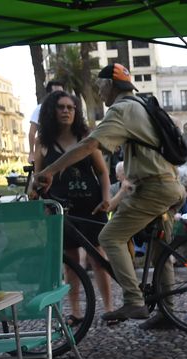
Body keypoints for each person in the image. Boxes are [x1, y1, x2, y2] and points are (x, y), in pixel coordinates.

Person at [34, 63, 183, 330]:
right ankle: (168, 313)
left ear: (109, 86)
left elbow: (90, 144)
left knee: (109, 236)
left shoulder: (122, 109)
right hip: (170, 185)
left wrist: (50, 170)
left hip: (153, 188)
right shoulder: (142, 104)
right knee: (161, 250)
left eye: (100, 87)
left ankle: (133, 300)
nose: (100, 93)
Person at [31, 89, 114, 315]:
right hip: (60, 209)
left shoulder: (86, 139)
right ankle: (76, 311)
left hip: (91, 206)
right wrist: (34, 193)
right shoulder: (43, 142)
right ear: (51, 111)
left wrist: (107, 198)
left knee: (99, 258)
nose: (66, 111)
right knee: (71, 262)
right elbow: (38, 177)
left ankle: (109, 307)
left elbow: (102, 173)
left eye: (71, 107)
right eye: (61, 107)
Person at [28, 80, 65, 159]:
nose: (60, 96)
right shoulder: (40, 109)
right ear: (49, 94)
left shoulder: (67, 109)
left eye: (62, 93)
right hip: (47, 149)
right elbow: (32, 132)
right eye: (56, 93)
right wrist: (31, 153)